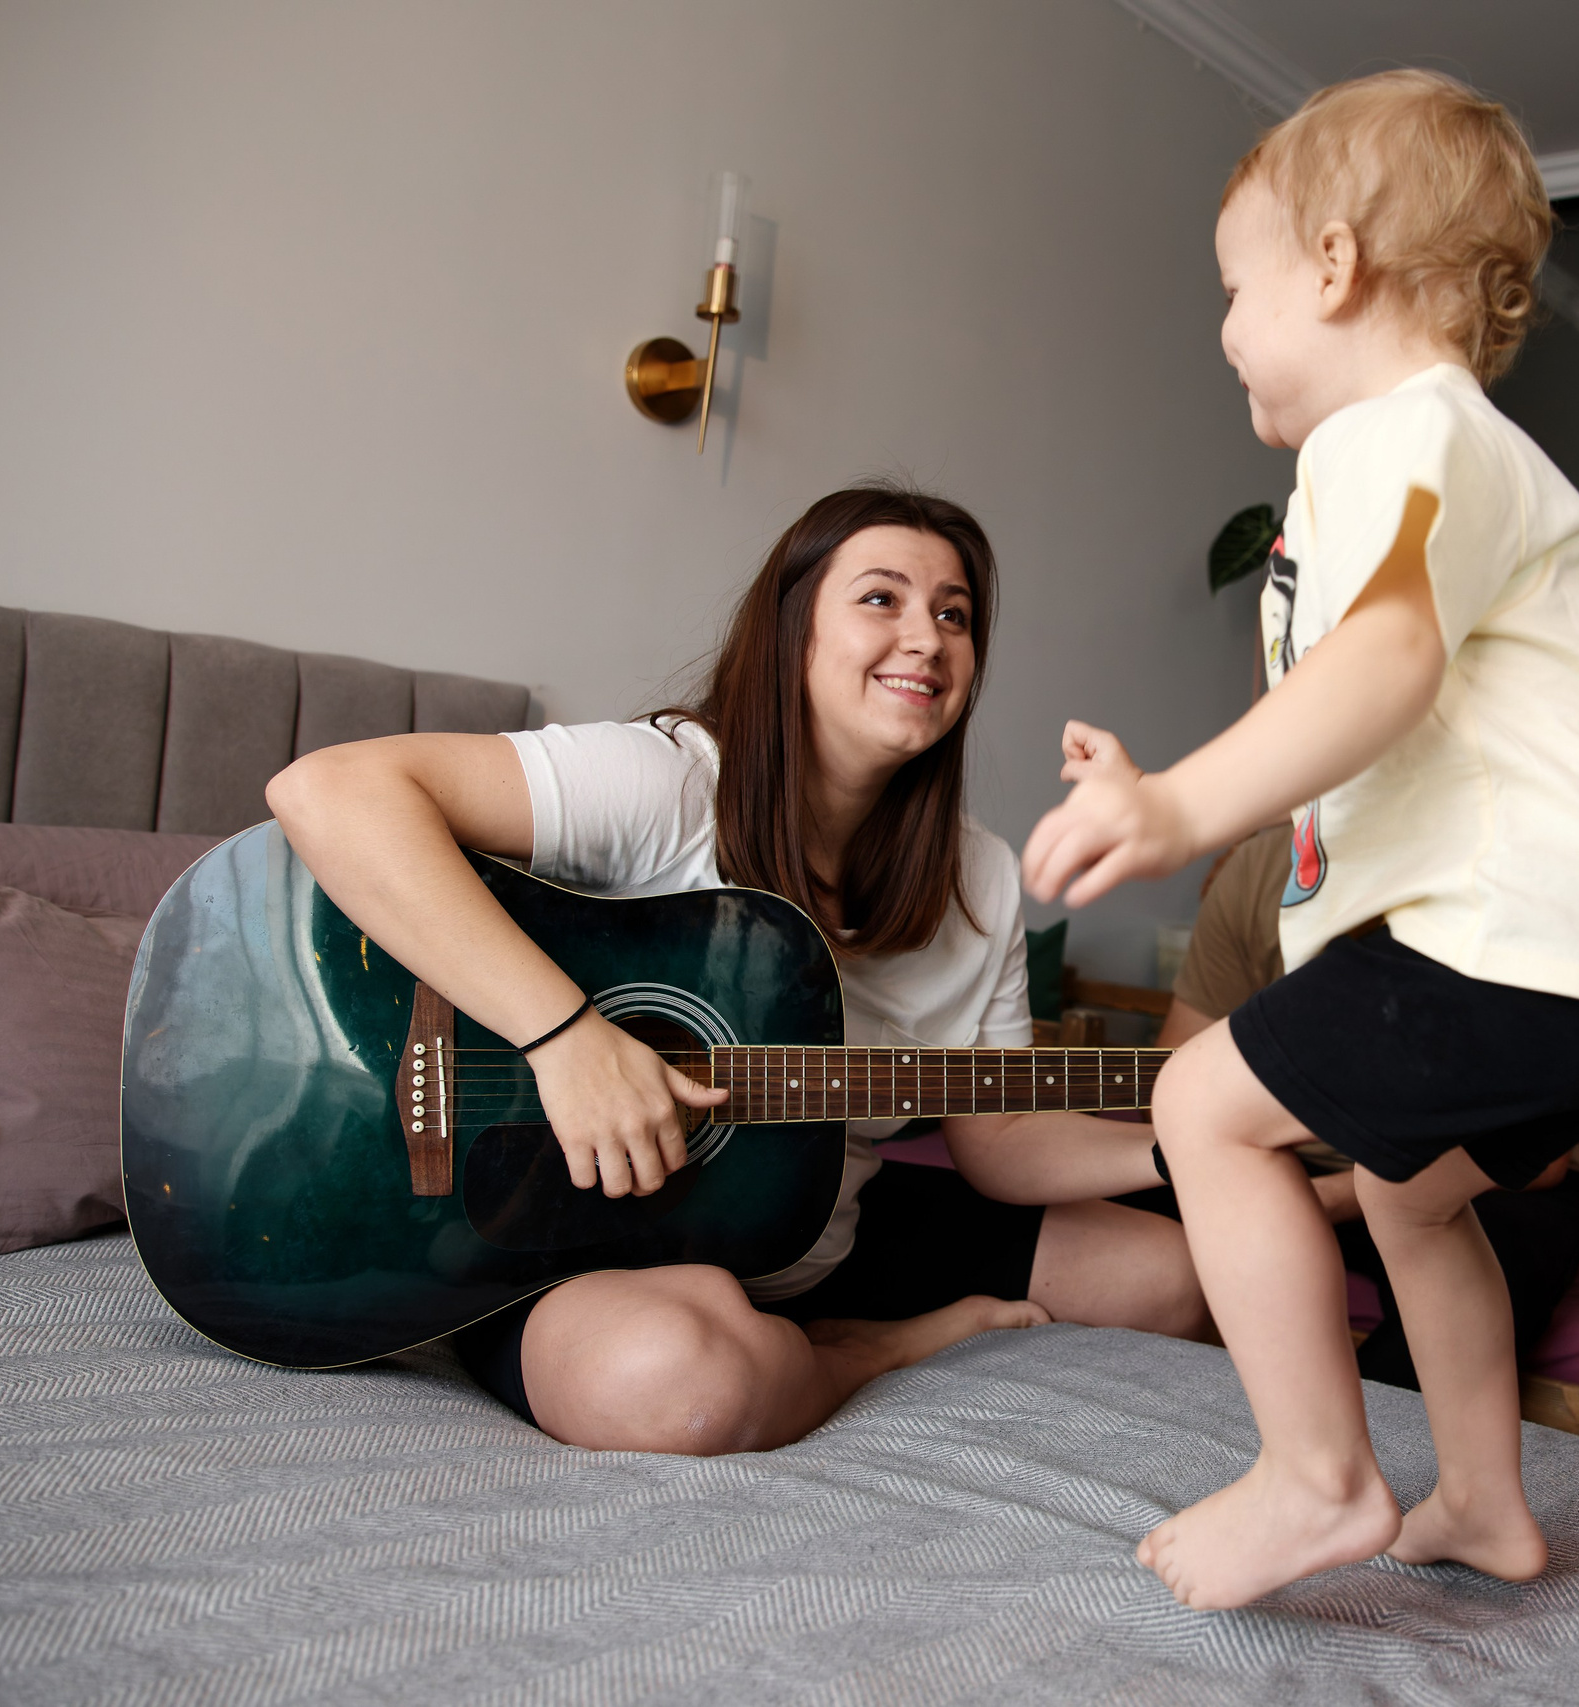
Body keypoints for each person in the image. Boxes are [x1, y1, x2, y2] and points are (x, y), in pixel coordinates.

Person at [1019, 71, 1579, 1611]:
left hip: (1521, 928)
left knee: (1205, 1103)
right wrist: (1209, 788)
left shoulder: (1395, 433)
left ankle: (1316, 1473)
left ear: (1330, 267)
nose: (1223, 331)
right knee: (1414, 1192)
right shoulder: (1460, 458)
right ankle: (1481, 1499)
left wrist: (1175, 806)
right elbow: (1384, 723)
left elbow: (1393, 655)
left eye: (1234, 287)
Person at [267, 484, 1205, 1456]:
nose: (927, 636)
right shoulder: (667, 781)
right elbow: (332, 790)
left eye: (954, 613)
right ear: (792, 628)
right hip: (570, 1246)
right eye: (882, 598)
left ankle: (795, 1332)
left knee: (1169, 1275)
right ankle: (861, 1357)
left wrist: (1191, 1126)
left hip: (817, 1230)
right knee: (677, 1388)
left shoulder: (980, 876)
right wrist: (566, 1039)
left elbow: (1000, 1138)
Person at [1160, 827, 1579, 1392]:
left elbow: (1543, 1158)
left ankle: (1378, 1458)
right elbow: (1174, 1070)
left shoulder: (1492, 873)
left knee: (1500, 1256)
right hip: (1286, 1162)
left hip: (1482, 1175)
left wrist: (1327, 1198)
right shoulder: (1256, 870)